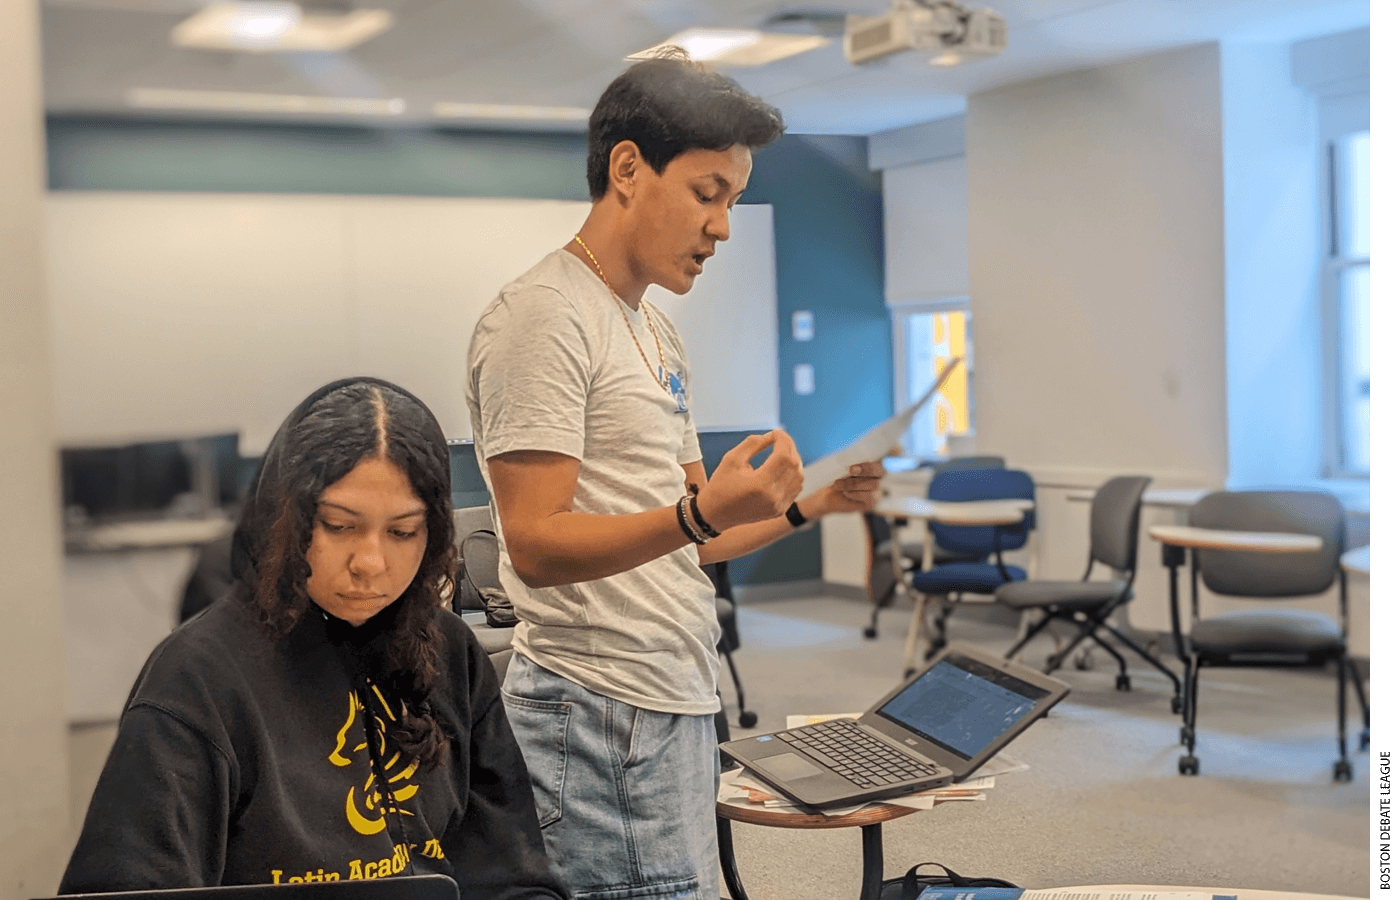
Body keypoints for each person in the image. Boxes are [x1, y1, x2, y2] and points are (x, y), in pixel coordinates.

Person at [464, 51, 884, 900]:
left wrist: (815, 506)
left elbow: (701, 537)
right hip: (598, 707)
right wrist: (696, 516)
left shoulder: (654, 332)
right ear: (628, 169)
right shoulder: (545, 317)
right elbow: (538, 546)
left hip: (670, 695)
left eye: (733, 199)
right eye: (707, 193)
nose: (724, 227)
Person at [60, 377, 568, 900]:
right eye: (339, 526)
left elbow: (513, 877)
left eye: (401, 532)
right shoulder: (197, 680)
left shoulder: (451, 653)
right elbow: (125, 886)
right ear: (288, 517)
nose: (370, 563)